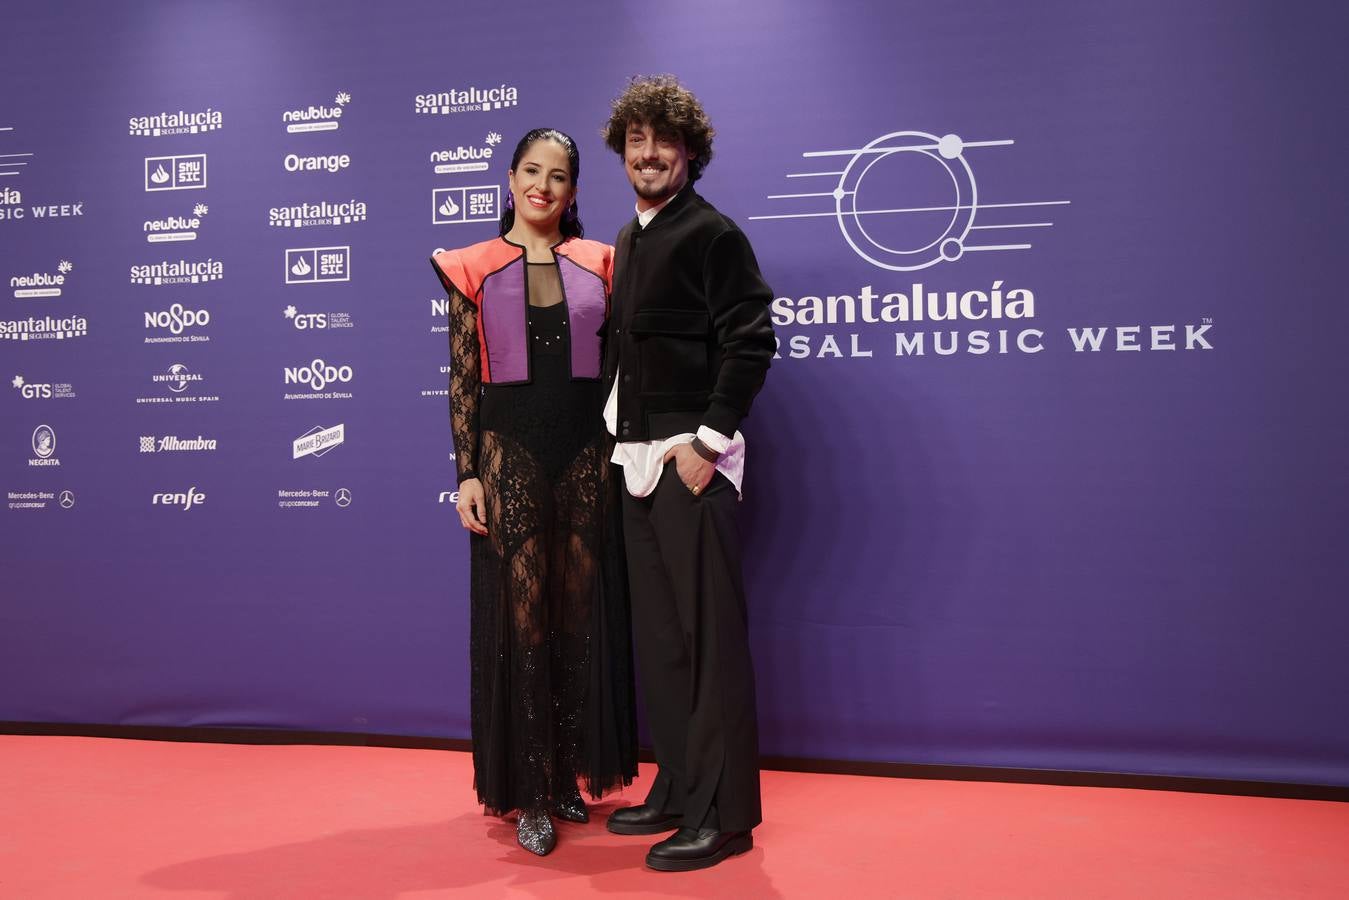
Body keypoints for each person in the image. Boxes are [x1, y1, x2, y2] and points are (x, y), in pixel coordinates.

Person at [430, 128, 637, 857]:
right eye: (530, 170)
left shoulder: (603, 264)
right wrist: (465, 472)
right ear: (510, 178)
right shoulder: (471, 267)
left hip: (587, 459)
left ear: (573, 191)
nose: (542, 186)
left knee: (577, 622)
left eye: (558, 176)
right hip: (508, 456)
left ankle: (567, 779)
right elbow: (462, 380)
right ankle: (528, 794)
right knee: (523, 626)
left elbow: (620, 373)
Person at [599, 76, 776, 871]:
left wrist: (705, 445)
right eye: (635, 140)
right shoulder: (631, 237)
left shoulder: (713, 234)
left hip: (689, 464)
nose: (647, 153)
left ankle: (724, 817)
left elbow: (750, 341)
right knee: (663, 644)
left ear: (690, 151)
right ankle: (675, 787)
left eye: (661, 140)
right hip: (632, 462)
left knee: (708, 646)